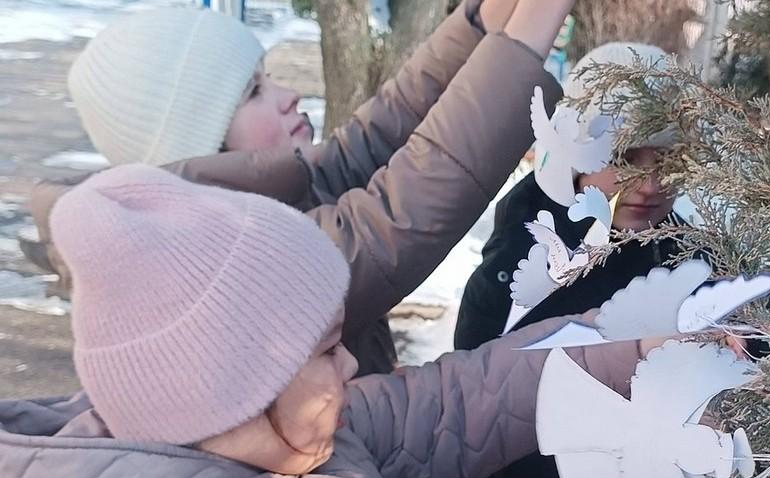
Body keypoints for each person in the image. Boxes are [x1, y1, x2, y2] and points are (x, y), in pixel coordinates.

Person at [0, 165, 691, 478]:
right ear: (235, 387)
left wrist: (640, 347)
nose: (352, 366)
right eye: (328, 349)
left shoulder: (262, 443)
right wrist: (643, 457)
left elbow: (459, 401)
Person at [27, 0, 569, 376]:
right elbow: (390, 228)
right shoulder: (206, 265)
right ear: (195, 140)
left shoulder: (252, 201)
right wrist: (530, 33)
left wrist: (485, 21)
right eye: (254, 92)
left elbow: (373, 139)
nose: (287, 93)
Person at [441, 43, 726, 478]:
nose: (651, 184)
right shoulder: (520, 273)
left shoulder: (693, 254)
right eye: (624, 158)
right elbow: (477, 444)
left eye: (669, 157)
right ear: (575, 149)